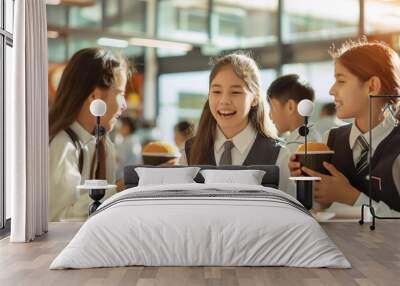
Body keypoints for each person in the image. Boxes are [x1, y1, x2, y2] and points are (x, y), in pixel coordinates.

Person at [289, 39, 400, 216]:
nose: (332, 90)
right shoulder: (330, 140)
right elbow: (319, 211)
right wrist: (307, 184)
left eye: (341, 81)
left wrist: (351, 197)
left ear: (372, 86)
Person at [181, 52, 292, 194]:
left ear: (255, 98)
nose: (224, 100)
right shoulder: (188, 152)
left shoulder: (279, 155)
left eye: (235, 92)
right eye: (216, 91)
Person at [49, 47, 130, 221]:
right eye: (120, 93)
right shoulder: (61, 144)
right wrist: (119, 191)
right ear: (95, 96)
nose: (124, 105)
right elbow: (56, 218)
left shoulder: (103, 144)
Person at [267, 74, 321, 153]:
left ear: (290, 107)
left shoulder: (298, 148)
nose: (270, 115)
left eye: (272, 107)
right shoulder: (310, 138)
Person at [115, 115, 142, 181]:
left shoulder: (127, 142)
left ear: (127, 127)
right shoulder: (134, 139)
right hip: (132, 176)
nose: (119, 128)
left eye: (121, 125)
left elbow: (117, 160)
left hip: (123, 178)